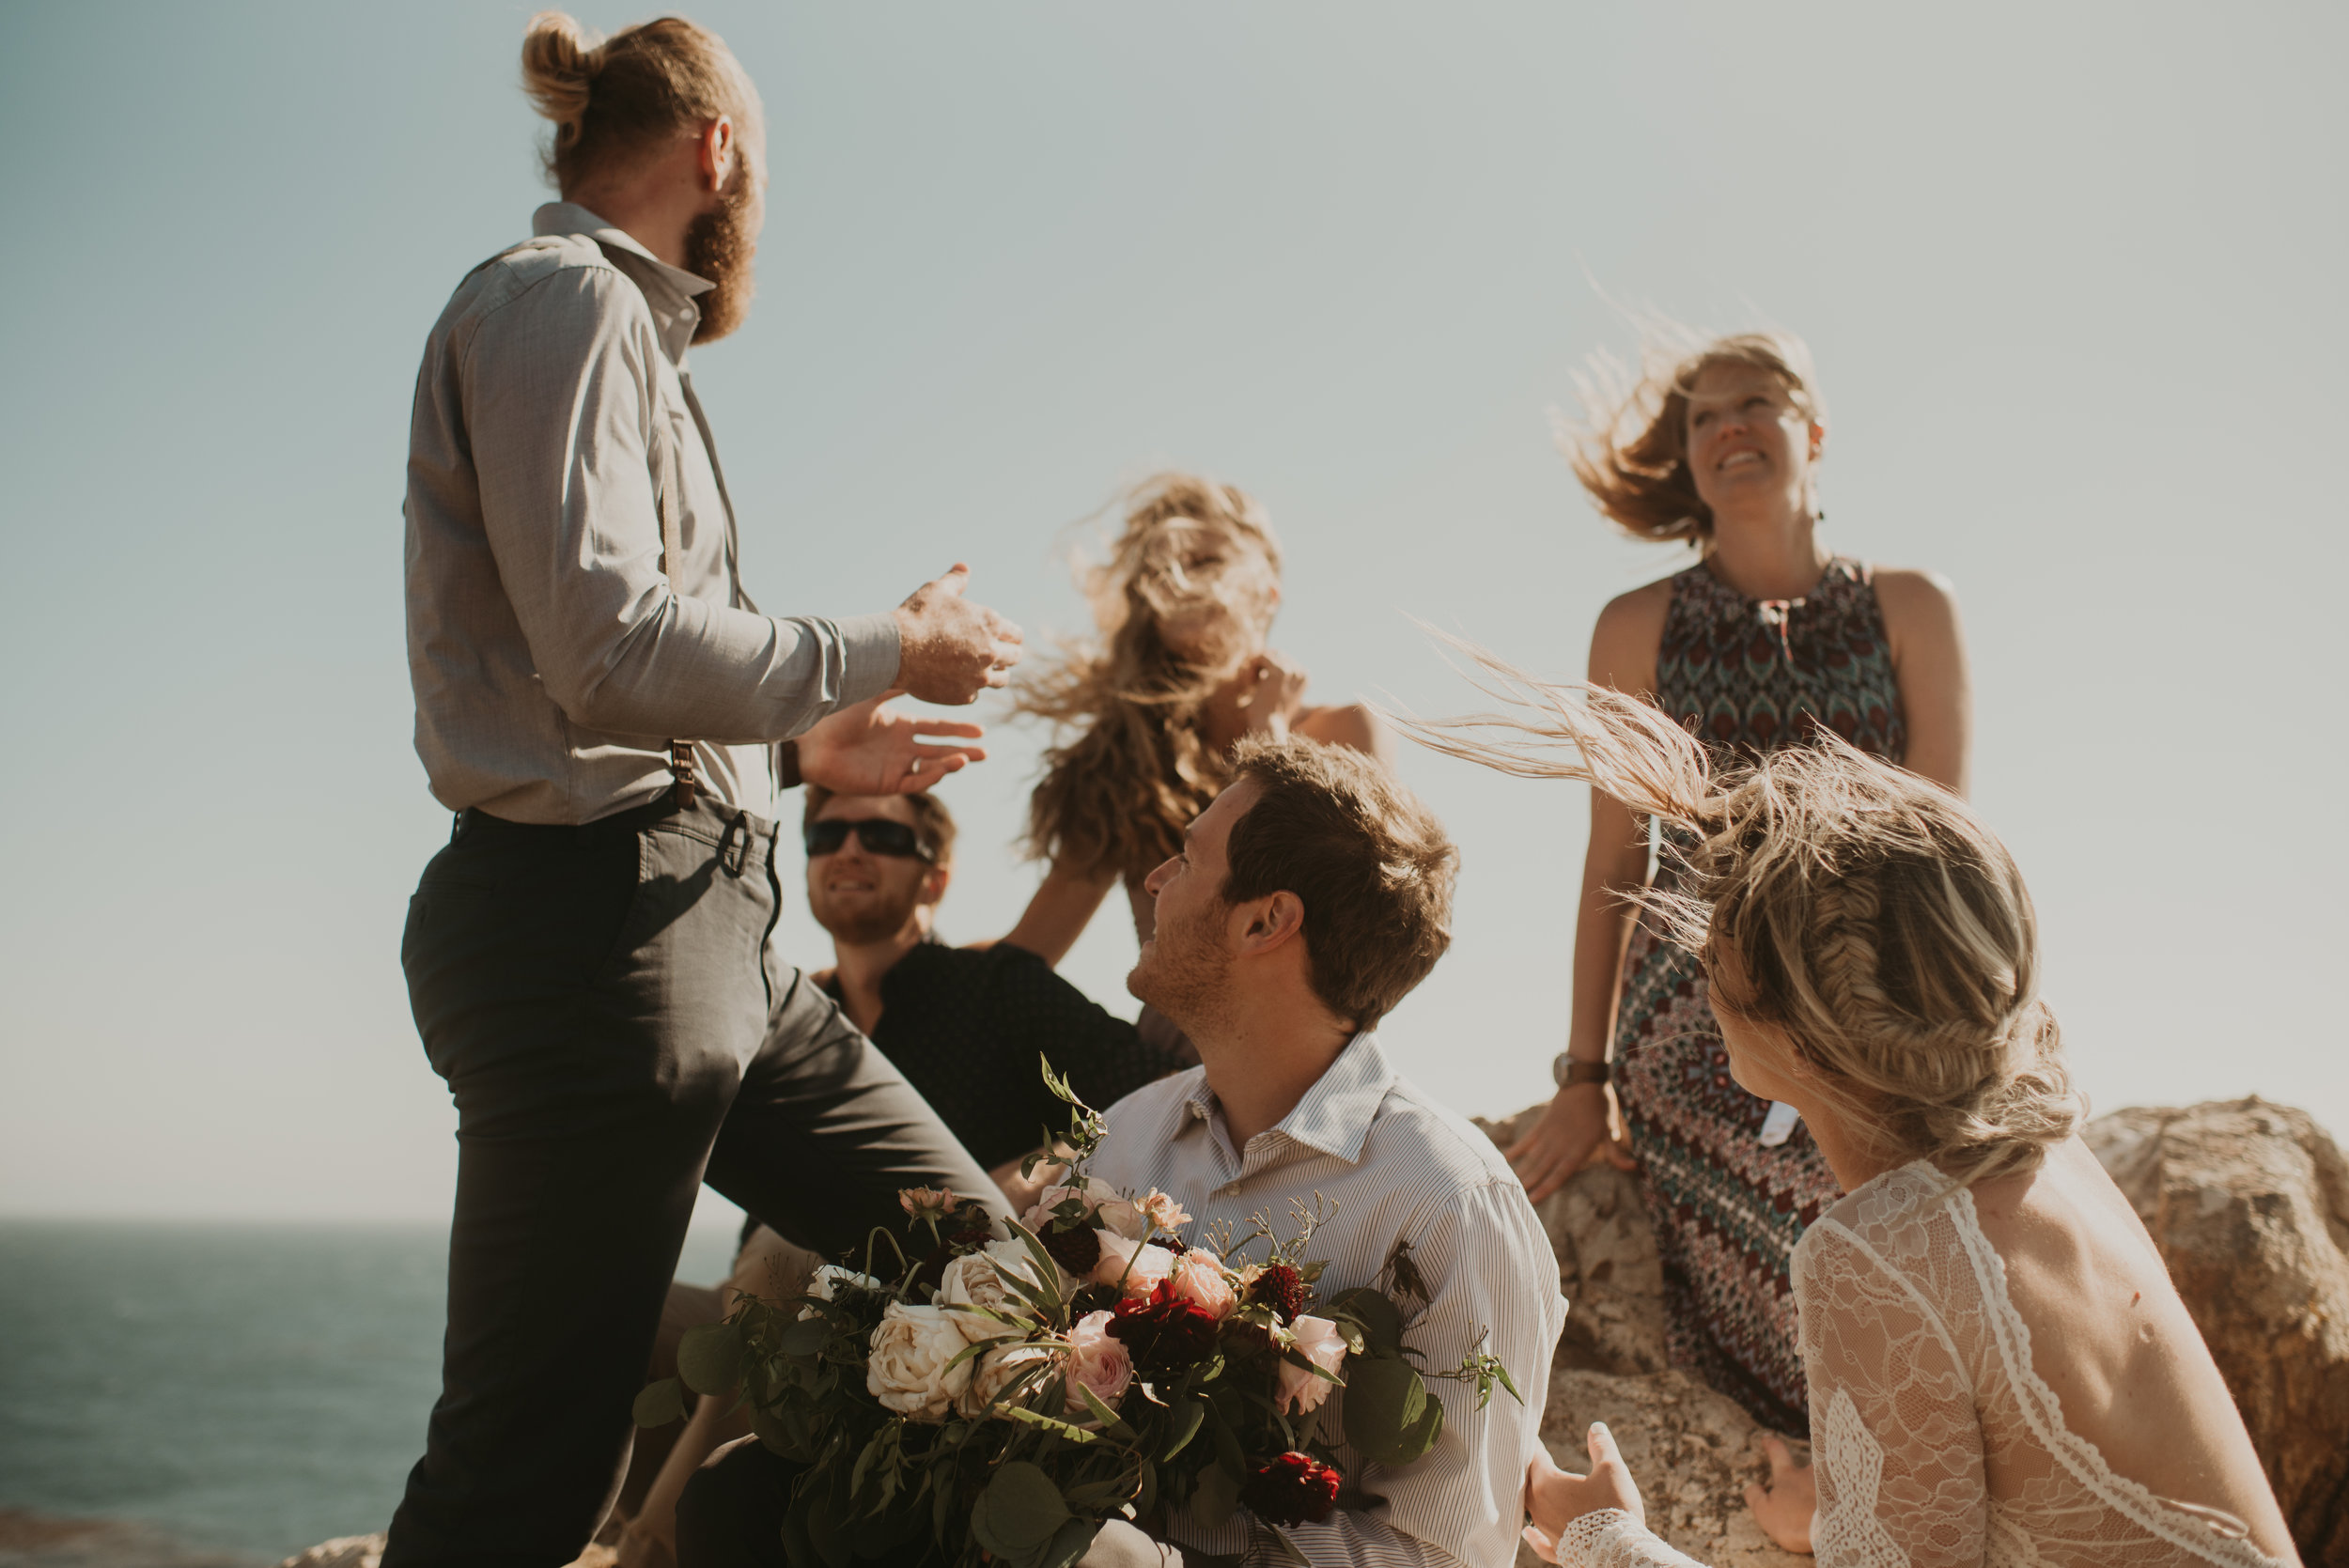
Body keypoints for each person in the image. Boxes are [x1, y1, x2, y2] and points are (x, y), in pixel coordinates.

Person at [391, 14, 1025, 1566]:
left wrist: (806, 753)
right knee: (525, 1472)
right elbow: (606, 649)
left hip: (712, 932)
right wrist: (899, 643)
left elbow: (595, 680)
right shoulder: (563, 299)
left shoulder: (607, 329)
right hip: (596, 929)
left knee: (995, 1282)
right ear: (718, 154)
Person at [1408, 675, 2298, 1568]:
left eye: (1714, 950)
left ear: (1797, 1041)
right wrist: (1849, 1525)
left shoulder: (1874, 1252)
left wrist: (1605, 1538)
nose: (1695, 970)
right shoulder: (2052, 1157)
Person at [672, 738, 1565, 1568]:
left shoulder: (1448, 1202)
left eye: (1186, 858)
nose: (1153, 878)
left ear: (1265, 923)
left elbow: (1444, 1554)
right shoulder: (1130, 1132)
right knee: (745, 1491)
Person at [1504, 329, 1970, 1435]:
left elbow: (1949, 843)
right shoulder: (1636, 626)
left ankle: (1884, 1469)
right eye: (1704, 417)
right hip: (1699, 1003)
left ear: (1812, 433)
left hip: (1878, 984)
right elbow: (1614, 860)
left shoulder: (1912, 606)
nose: (1727, 428)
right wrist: (1586, 1075)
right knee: (1780, 1204)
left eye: (1753, 403)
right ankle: (1822, 1468)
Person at [1003, 474, 1392, 1055]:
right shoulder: (1121, 767)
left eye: (1207, 560)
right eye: (1161, 570)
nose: (1182, 581)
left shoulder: (1343, 732)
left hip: (1305, 1071)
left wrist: (1272, 744)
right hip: (1166, 1078)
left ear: (1269, 590)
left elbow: (1367, 932)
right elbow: (1024, 958)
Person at [800, 786, 1186, 1176]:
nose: (848, 852)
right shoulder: (796, 1028)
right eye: (825, 837)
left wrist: (1020, 1185)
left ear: (935, 881)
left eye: (882, 837)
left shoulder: (998, 987)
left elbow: (1166, 1096)